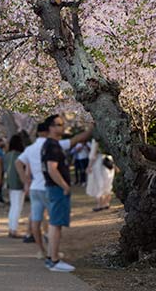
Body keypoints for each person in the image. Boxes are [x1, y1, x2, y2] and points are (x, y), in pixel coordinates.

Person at [15, 121, 92, 259]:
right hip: (48, 187)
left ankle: (41, 251)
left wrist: (26, 181)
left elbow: (18, 163)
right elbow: (77, 139)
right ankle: (53, 253)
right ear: (48, 131)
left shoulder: (30, 148)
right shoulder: (53, 145)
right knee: (54, 223)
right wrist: (91, 128)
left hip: (34, 189)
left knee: (36, 220)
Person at [42, 114, 91, 272]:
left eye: (62, 124)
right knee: (56, 224)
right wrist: (64, 186)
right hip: (57, 189)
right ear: (50, 127)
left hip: (53, 188)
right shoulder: (52, 146)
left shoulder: (52, 144)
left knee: (54, 224)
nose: (61, 127)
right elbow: (51, 168)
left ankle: (51, 257)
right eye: (58, 124)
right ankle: (55, 261)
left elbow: (77, 138)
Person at [4, 133, 25, 238]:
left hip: (10, 184)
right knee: (17, 207)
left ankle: (11, 228)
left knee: (13, 207)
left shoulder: (7, 155)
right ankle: (14, 230)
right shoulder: (20, 155)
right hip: (18, 184)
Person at [86, 140, 115, 212]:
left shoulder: (96, 139)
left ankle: (99, 205)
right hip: (110, 162)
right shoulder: (109, 136)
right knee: (108, 183)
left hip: (99, 162)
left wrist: (89, 166)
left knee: (98, 184)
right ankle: (106, 203)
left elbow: (93, 154)